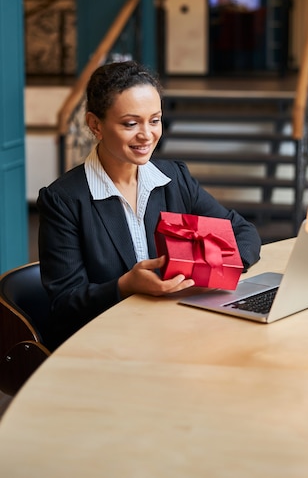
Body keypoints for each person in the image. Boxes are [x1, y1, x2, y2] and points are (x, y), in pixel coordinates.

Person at [37, 61, 261, 348]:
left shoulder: (174, 178)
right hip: (106, 343)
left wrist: (211, 269)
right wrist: (124, 286)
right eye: (130, 123)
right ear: (95, 124)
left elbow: (243, 232)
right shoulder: (64, 200)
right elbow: (65, 303)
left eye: (154, 120)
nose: (146, 135)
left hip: (174, 330)